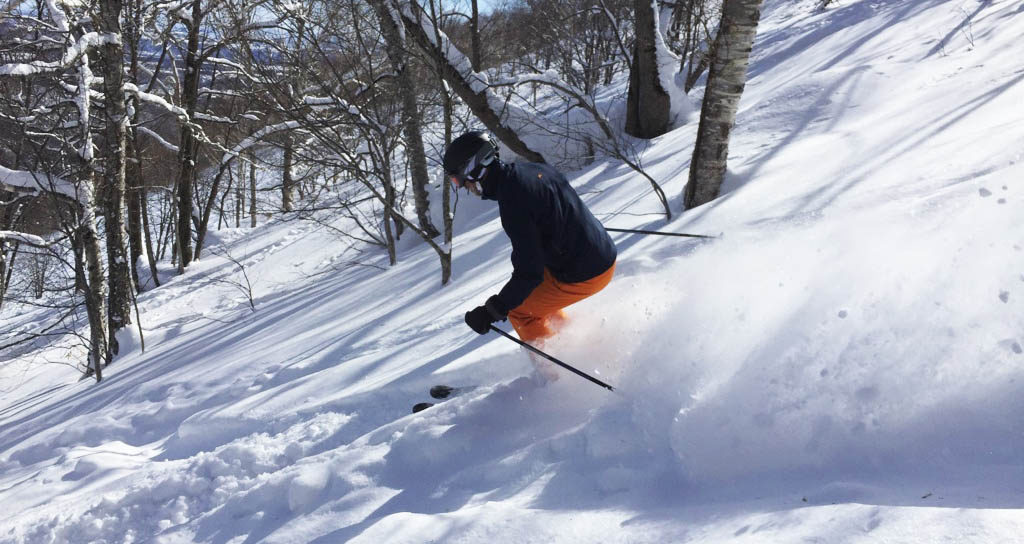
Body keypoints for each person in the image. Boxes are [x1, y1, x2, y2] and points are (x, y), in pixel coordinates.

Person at [442, 131, 617, 379]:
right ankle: (576, 347)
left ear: (475, 169)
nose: (464, 188)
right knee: (535, 298)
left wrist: (492, 311)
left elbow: (529, 272)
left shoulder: (514, 200)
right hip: (597, 252)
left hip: (585, 271)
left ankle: (559, 377)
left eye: (458, 181)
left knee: (520, 310)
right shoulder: (530, 170)